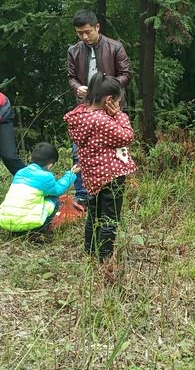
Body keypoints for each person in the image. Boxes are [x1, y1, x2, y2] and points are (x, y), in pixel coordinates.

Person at [64, 74, 136, 261]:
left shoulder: (81, 115)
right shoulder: (102, 121)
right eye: (117, 102)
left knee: (94, 215)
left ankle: (90, 251)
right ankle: (104, 258)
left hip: (92, 177)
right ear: (109, 100)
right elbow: (127, 136)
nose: (118, 105)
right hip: (111, 176)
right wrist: (119, 115)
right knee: (110, 218)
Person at [67, 9, 132, 205]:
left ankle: (111, 189)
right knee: (80, 150)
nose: (84, 37)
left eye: (88, 32)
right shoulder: (74, 51)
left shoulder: (115, 47)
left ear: (97, 27)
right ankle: (83, 194)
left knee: (113, 148)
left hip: (110, 105)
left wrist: (105, 87)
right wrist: (77, 88)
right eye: (80, 33)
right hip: (86, 108)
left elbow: (126, 74)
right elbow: (71, 77)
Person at [0, 142, 79, 235]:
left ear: (31, 158)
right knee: (54, 199)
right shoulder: (46, 176)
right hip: (25, 223)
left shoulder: (20, 172)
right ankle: (41, 230)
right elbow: (58, 190)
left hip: (5, 222)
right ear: (50, 165)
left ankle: (16, 231)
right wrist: (71, 174)